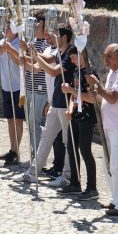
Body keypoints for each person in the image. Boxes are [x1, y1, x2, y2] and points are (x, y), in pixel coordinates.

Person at [89, 43, 118, 217]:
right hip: (110, 125)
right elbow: (105, 96)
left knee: (117, 165)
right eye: (105, 55)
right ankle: (116, 199)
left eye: (109, 55)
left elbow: (112, 98)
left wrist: (98, 87)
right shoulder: (112, 73)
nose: (105, 59)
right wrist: (97, 91)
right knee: (108, 164)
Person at [23, 26, 74, 185]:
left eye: (55, 35)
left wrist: (36, 57)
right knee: (46, 138)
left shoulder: (70, 53)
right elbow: (46, 61)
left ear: (64, 37)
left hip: (66, 104)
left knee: (67, 141)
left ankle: (67, 177)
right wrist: (32, 53)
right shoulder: (57, 52)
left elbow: (53, 71)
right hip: (56, 101)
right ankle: (33, 172)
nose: (52, 38)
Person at [60, 48, 98, 198]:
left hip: (87, 116)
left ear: (82, 55)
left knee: (85, 151)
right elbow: (73, 94)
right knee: (71, 148)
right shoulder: (76, 71)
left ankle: (92, 187)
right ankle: (75, 183)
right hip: (75, 114)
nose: (73, 61)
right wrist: (70, 109)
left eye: (75, 58)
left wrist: (72, 92)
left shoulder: (90, 73)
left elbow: (92, 98)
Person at [0, 27, 25, 165]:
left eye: (9, 28)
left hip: (18, 86)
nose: (6, 30)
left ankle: (16, 150)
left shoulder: (20, 43)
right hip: (6, 86)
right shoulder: (2, 41)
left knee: (18, 120)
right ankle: (12, 150)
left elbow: (7, 55)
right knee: (9, 119)